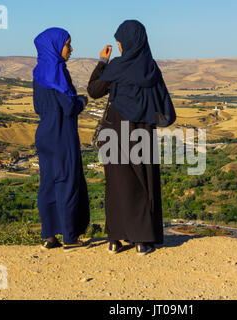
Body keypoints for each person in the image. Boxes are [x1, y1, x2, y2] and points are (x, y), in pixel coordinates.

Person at [87, 20, 176, 256]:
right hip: (142, 130)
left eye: (119, 42)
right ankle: (142, 240)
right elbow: (163, 102)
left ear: (125, 43)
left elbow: (94, 90)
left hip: (114, 130)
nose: (117, 46)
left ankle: (115, 239)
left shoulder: (116, 66)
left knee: (116, 183)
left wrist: (102, 62)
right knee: (143, 181)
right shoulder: (150, 68)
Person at [33, 27, 90, 252]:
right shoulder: (59, 72)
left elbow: (38, 107)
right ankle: (70, 237)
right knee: (67, 182)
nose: (71, 49)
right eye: (68, 44)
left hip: (44, 134)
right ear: (56, 46)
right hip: (62, 135)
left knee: (48, 183)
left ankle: (49, 235)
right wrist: (82, 101)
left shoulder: (38, 73)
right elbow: (69, 108)